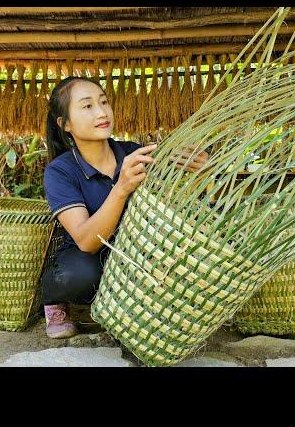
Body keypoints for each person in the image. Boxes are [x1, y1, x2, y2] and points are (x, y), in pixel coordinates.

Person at [42, 76, 209, 339]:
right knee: (80, 277)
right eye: (87, 106)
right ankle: (54, 297)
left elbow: (178, 209)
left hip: (134, 252)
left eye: (104, 102)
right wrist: (121, 188)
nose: (101, 112)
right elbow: (86, 241)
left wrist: (202, 172)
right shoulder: (60, 171)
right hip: (86, 256)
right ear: (65, 124)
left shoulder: (137, 154)